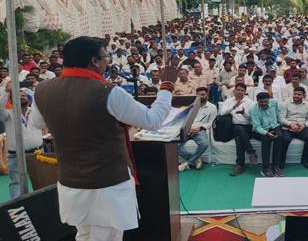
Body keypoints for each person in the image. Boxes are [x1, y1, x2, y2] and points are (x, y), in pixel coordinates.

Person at [33, 36, 177, 241]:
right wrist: (167, 86)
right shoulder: (108, 93)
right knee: (106, 237)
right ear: (94, 61)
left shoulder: (43, 89)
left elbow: (38, 123)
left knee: (84, 235)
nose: (107, 62)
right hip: (107, 186)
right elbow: (153, 120)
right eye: (105, 57)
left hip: (70, 182)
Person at [0, 86, 43, 199]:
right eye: (17, 96)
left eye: (23, 95)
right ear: (11, 100)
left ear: (28, 99)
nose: (21, 97)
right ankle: (18, 205)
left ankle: (41, 203)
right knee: (16, 182)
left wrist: (33, 91)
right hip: (16, 155)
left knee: (40, 179)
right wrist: (6, 92)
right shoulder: (7, 114)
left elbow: (38, 101)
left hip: (37, 153)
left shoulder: (35, 112)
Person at [220, 83, 258, 176]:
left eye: (242, 90)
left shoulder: (250, 102)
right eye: (238, 90)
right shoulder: (228, 101)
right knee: (238, 129)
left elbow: (252, 118)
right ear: (234, 91)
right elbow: (222, 113)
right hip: (232, 127)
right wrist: (233, 107)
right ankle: (251, 152)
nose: (240, 92)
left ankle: (239, 165)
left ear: (245, 92)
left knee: (239, 138)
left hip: (247, 127)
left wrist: (244, 113)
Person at [178, 87, 217, 172]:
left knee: (204, 144)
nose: (201, 97)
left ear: (207, 95)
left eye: (203, 95)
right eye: (198, 95)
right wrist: (187, 129)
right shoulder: (190, 105)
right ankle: (196, 160)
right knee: (174, 146)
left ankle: (187, 163)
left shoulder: (212, 107)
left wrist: (200, 128)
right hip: (187, 130)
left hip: (200, 130)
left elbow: (211, 122)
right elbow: (182, 119)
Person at [278, 87, 308, 171]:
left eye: (299, 94)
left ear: (304, 95)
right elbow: (281, 118)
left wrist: (304, 125)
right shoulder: (286, 103)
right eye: (295, 94)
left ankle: (305, 160)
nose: (296, 96)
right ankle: (281, 160)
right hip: (288, 126)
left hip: (301, 127)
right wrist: (291, 124)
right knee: (285, 139)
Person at [250, 92, 283, 177]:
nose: (264, 103)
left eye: (266, 101)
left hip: (274, 126)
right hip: (260, 130)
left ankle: (276, 166)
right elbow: (257, 127)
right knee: (266, 140)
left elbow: (277, 113)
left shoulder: (274, 102)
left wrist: (276, 126)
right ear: (257, 101)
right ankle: (265, 168)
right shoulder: (253, 110)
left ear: (269, 100)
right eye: (261, 102)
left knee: (280, 137)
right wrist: (267, 133)